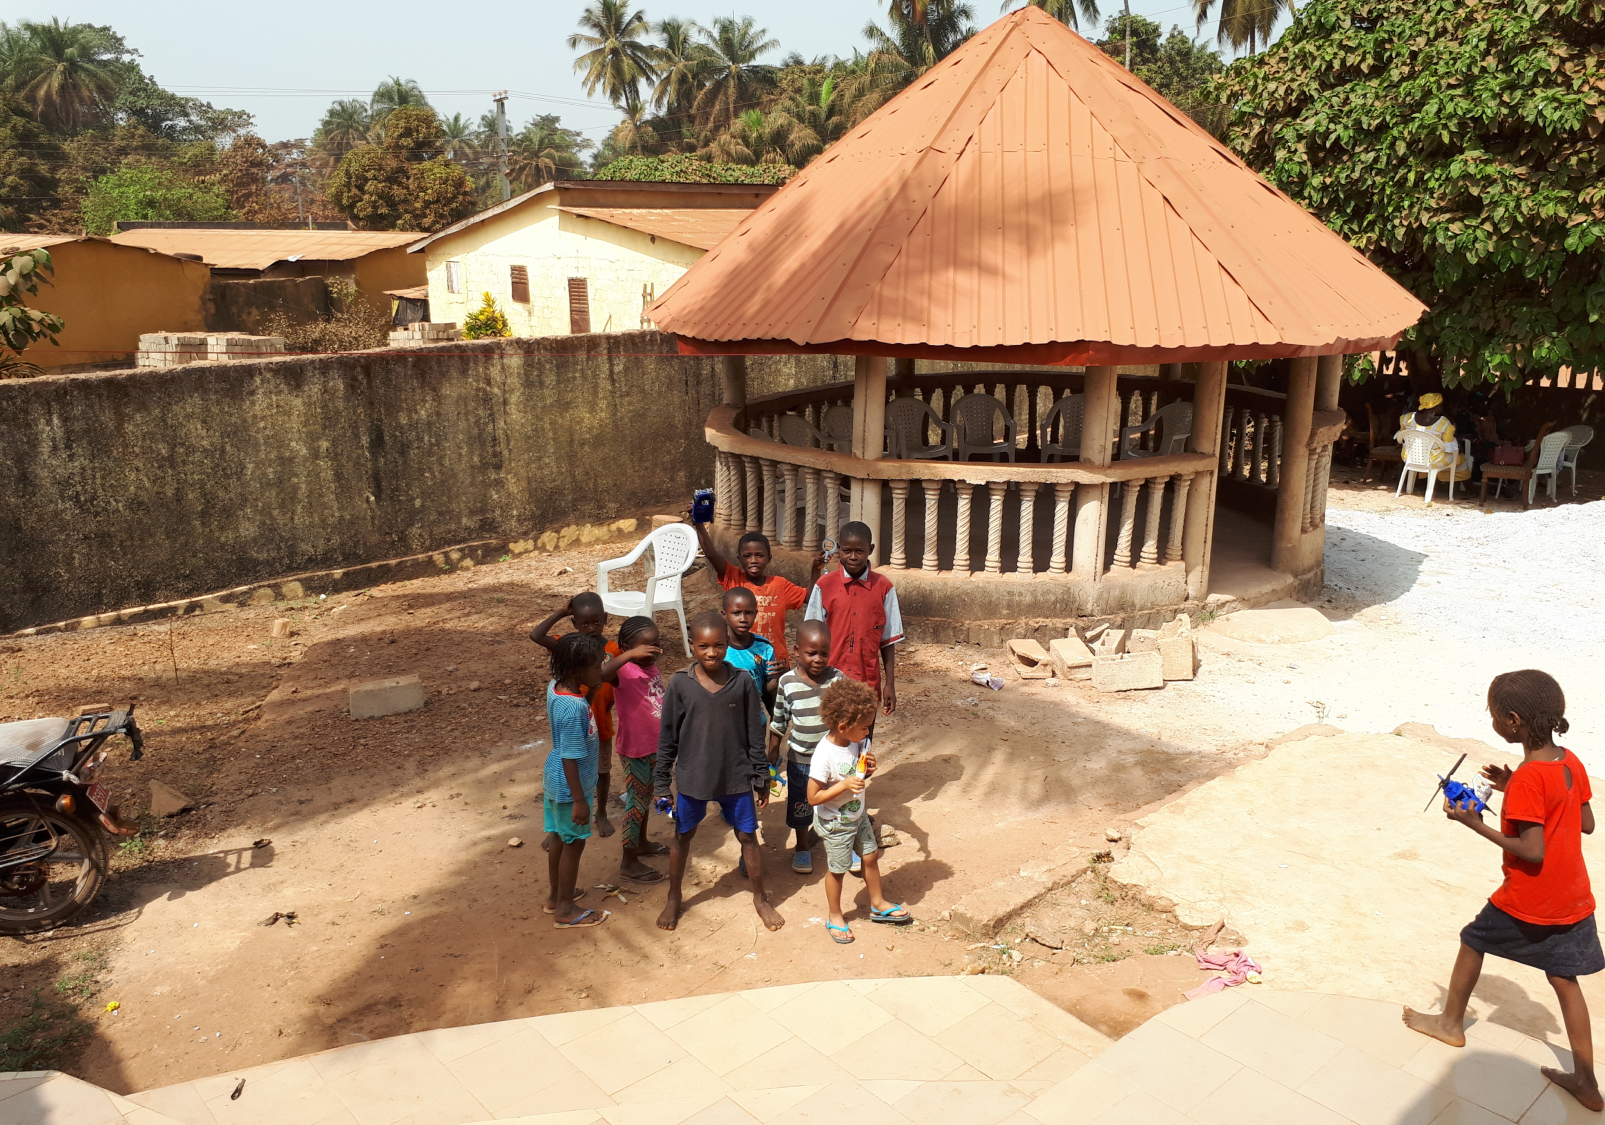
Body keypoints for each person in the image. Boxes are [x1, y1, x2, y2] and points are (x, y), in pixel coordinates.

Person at [1404, 670, 1601, 1111]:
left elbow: (1531, 850)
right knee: (1564, 981)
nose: (1492, 721)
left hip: (1531, 897)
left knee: (1473, 940)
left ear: (1512, 720)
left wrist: (1476, 823)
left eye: (1493, 714)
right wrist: (1514, 786)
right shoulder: (1569, 762)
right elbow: (1584, 822)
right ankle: (1587, 1081)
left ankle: (1450, 1023)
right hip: (1573, 896)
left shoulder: (1532, 777)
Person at [654, 610, 784, 933]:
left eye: (719, 646)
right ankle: (674, 895)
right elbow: (667, 736)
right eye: (703, 646)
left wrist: (761, 776)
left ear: (728, 644)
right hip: (693, 776)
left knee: (747, 837)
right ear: (692, 646)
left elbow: (755, 732)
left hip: (736, 776)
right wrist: (660, 785)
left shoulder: (741, 682)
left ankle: (760, 897)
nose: (712, 653)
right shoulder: (680, 684)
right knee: (683, 835)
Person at [807, 677, 912, 944]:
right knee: (838, 869)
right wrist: (843, 785)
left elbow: (858, 772)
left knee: (870, 855)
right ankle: (834, 915)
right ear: (843, 726)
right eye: (865, 728)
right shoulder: (824, 755)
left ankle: (877, 902)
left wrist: (868, 768)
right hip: (836, 822)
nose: (868, 733)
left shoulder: (855, 742)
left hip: (857, 815)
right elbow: (813, 797)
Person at [688, 517, 824, 683]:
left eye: (759, 555)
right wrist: (699, 523)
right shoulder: (733, 578)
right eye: (747, 556)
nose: (753, 560)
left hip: (773, 660)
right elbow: (710, 554)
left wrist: (815, 571)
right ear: (739, 558)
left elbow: (809, 597)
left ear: (769, 558)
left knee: (775, 703)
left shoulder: (779, 585)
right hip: (740, 659)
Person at [531, 593, 620, 838]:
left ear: (605, 619)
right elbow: (536, 636)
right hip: (575, 726)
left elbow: (618, 679)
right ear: (574, 624)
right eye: (583, 624)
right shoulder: (569, 648)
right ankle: (559, 824)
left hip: (600, 724)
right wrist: (561, 611)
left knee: (602, 771)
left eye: (596, 623)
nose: (591, 629)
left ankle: (600, 813)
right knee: (569, 766)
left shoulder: (612, 649)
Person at [542, 632, 609, 929]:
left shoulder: (557, 689)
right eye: (596, 666)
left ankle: (556, 897)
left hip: (556, 779)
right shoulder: (574, 709)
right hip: (572, 788)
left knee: (559, 836)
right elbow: (571, 756)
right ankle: (565, 910)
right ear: (576, 670)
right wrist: (581, 801)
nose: (601, 669)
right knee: (574, 844)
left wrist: (592, 691)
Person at [804, 521, 903, 718]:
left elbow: (888, 640)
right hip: (829, 679)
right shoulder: (824, 585)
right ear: (839, 549)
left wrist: (890, 683)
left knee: (863, 738)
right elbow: (811, 635)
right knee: (830, 738)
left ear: (870, 550)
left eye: (860, 551)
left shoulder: (884, 587)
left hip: (866, 681)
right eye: (847, 550)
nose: (853, 557)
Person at [768, 620, 842, 874]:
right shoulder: (787, 682)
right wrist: (774, 747)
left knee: (837, 801)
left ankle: (840, 845)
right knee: (801, 804)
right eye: (811, 653)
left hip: (834, 759)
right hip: (802, 760)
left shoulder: (837, 679)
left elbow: (848, 717)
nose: (818, 659)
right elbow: (779, 719)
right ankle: (802, 847)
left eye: (824, 653)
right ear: (797, 650)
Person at [599, 615, 668, 884]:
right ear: (627, 647)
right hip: (636, 748)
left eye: (656, 645)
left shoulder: (650, 666)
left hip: (654, 745)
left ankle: (641, 843)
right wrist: (628, 656)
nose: (653, 652)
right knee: (636, 803)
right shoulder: (623, 670)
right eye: (645, 648)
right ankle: (628, 862)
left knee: (646, 797)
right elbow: (601, 673)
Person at [1395, 392, 1472, 488]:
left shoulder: (1406, 418)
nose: (1442, 408)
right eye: (1441, 406)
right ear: (1434, 409)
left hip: (1409, 457)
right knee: (1459, 458)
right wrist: (1459, 449)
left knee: (1436, 455)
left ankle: (1423, 483)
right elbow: (1449, 447)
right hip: (1434, 461)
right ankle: (1469, 489)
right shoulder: (1443, 423)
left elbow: (1401, 438)